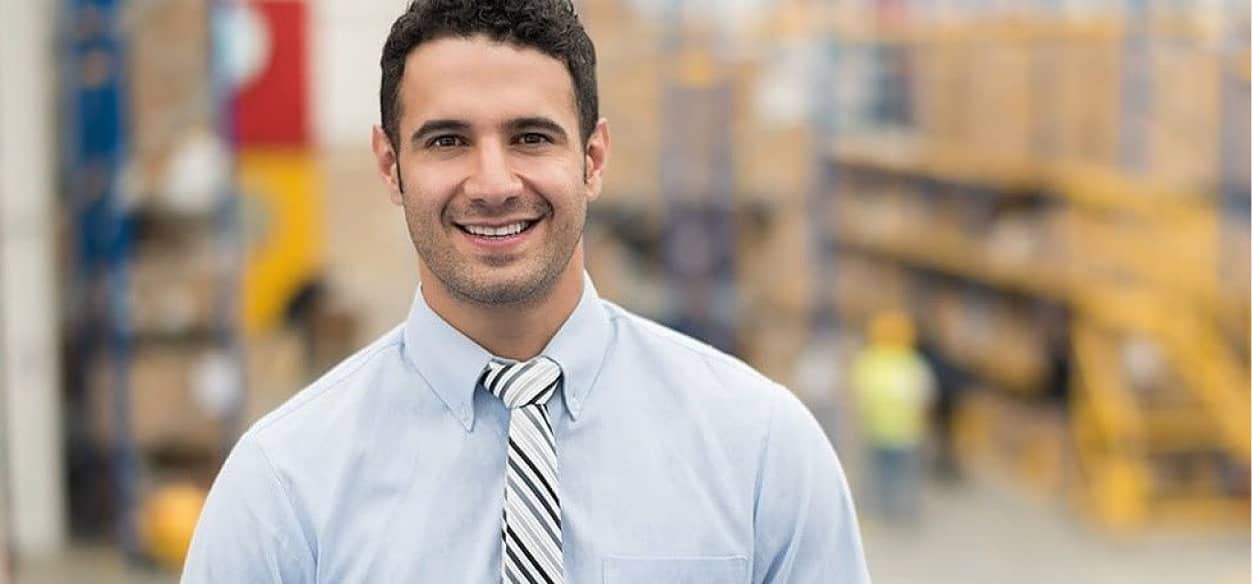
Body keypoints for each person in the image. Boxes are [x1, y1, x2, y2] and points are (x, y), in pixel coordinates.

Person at [182, 1, 868, 581]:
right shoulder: (283, 487)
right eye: (448, 140)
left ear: (592, 158)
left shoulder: (760, 449)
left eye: (531, 137)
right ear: (390, 166)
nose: (493, 183)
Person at [851, 311, 935, 525]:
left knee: (879, 473)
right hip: (906, 432)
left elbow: (857, 393)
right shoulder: (912, 363)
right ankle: (904, 512)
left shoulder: (870, 361)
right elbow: (926, 395)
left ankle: (880, 510)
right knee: (905, 475)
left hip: (877, 430)